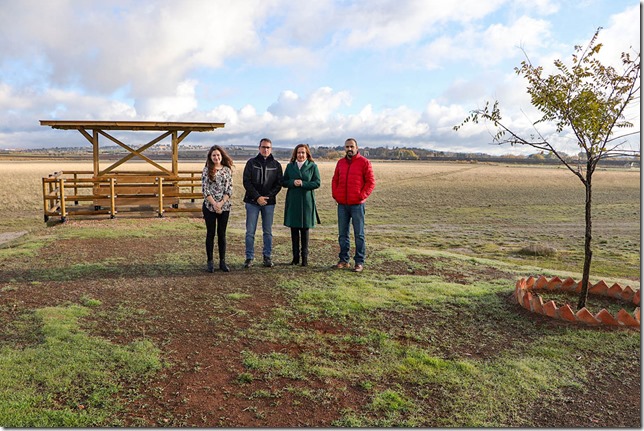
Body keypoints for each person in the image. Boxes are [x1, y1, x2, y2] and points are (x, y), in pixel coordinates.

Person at [331, 138, 376, 272]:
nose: (349, 149)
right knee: (342, 234)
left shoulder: (364, 162)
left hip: (357, 205)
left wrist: (361, 196)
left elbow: (371, 182)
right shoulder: (340, 163)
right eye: (347, 147)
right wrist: (336, 195)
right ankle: (344, 260)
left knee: (359, 234)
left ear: (357, 148)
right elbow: (335, 180)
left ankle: (359, 262)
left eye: (351, 146)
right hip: (342, 205)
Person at [242, 138, 283, 268]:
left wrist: (267, 197)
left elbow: (278, 184)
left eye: (268, 147)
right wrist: (257, 197)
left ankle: (267, 257)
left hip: (269, 203)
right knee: (250, 232)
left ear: (271, 149)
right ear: (259, 148)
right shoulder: (251, 163)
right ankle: (249, 257)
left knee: (268, 231)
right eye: (263, 147)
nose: (265, 150)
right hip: (252, 202)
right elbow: (246, 182)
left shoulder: (276, 165)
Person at [281, 144, 321, 266]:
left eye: (303, 153)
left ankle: (304, 259)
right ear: (295, 154)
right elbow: (284, 182)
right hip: (293, 201)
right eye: (299, 153)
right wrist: (293, 182)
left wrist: (303, 184)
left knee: (305, 230)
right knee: (294, 230)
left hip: (307, 201)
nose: (301, 155)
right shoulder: (290, 166)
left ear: (307, 154)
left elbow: (317, 183)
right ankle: (295, 258)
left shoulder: (313, 166)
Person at [201, 145, 234, 273]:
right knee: (210, 233)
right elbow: (205, 189)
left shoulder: (227, 170)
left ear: (222, 156)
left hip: (224, 207)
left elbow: (229, 189)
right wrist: (214, 204)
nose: (216, 157)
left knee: (222, 234)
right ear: (210, 157)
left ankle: (222, 261)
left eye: (218, 155)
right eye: (214, 155)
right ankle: (210, 262)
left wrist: (221, 203)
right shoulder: (206, 170)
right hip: (209, 206)